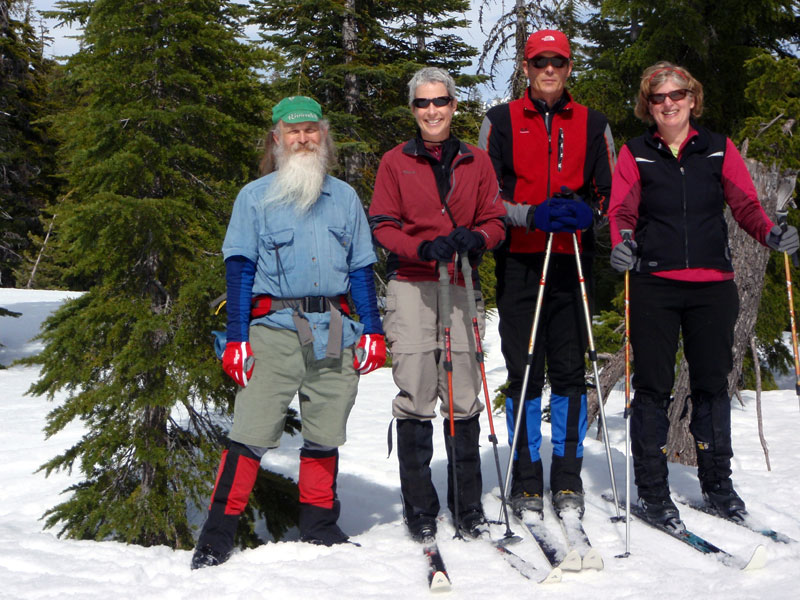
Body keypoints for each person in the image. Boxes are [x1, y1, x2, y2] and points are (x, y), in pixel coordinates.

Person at [191, 96, 386, 569]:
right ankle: (216, 535)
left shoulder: (343, 197)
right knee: (250, 433)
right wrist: (237, 337)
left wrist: (374, 330)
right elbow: (238, 269)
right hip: (273, 330)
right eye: (291, 131)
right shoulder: (254, 197)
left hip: (336, 329)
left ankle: (319, 526)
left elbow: (362, 269)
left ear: (324, 136)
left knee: (325, 431)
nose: (302, 139)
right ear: (276, 139)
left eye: (310, 130)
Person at [608, 62, 799, 529]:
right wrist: (623, 241)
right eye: (658, 98)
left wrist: (771, 234)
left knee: (713, 387)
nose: (669, 103)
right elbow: (621, 209)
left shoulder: (718, 149)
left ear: (692, 98)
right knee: (652, 387)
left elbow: (746, 205)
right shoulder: (637, 153)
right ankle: (653, 492)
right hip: (654, 283)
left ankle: (718, 487)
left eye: (677, 95)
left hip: (713, 286)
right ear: (648, 107)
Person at [478, 30, 616, 519]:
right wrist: (529, 215)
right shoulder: (499, 121)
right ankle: (526, 476)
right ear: (527, 66)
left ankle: (567, 475)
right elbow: (486, 195)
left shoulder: (593, 124)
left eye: (557, 61)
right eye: (540, 62)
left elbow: (609, 193)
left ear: (569, 66)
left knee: (570, 373)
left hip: (572, 262)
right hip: (522, 258)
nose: (549, 70)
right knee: (524, 372)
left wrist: (587, 213)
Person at [369, 67, 505, 542]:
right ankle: (420, 507)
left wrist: (478, 237)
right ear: (413, 110)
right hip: (412, 283)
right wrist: (417, 247)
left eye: (440, 102)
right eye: (423, 103)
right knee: (416, 392)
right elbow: (382, 223)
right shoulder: (395, 161)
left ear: (453, 106)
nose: (432, 111)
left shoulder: (476, 160)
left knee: (463, 393)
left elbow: (496, 219)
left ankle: (467, 505)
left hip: (461, 282)